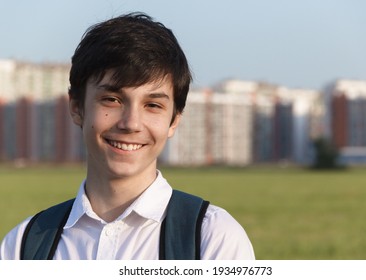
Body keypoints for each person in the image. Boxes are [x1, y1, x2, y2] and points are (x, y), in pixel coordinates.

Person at [0, 12, 255, 260]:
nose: (131, 123)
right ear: (77, 107)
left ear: (174, 120)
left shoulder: (212, 239)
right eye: (112, 100)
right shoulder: (23, 247)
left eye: (153, 105)